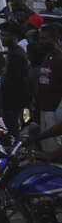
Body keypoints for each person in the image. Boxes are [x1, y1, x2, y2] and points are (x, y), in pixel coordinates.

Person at [0, 21, 31, 137]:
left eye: (6, 35)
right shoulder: (12, 52)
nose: (2, 38)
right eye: (1, 34)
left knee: (15, 134)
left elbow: (18, 82)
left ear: (15, 37)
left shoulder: (17, 55)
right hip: (10, 103)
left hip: (14, 104)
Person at [37, 24, 62, 153]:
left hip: (54, 111)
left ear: (54, 39)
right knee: (45, 147)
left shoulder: (59, 58)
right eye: (40, 38)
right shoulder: (47, 56)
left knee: (53, 149)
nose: (41, 41)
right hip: (44, 108)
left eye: (44, 38)